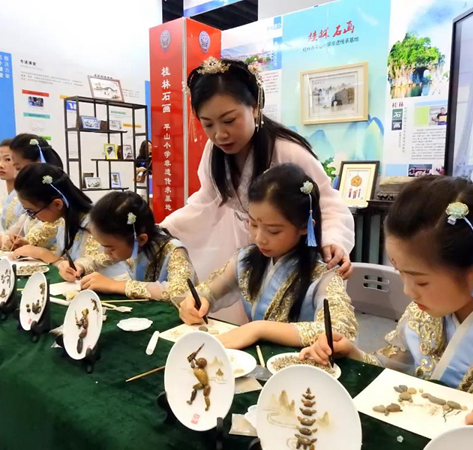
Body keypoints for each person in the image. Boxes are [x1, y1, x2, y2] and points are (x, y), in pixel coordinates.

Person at [299, 176, 473, 443]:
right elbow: (396, 371)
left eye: (421, 281)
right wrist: (353, 354)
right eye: (400, 272)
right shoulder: (425, 310)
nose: (408, 291)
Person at [161, 58, 355, 314]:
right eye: (208, 124)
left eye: (229, 120)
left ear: (254, 107)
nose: (219, 134)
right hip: (246, 249)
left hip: (289, 253)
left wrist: (332, 239)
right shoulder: (214, 152)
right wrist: (163, 231)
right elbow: (205, 203)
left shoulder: (288, 151)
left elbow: (326, 204)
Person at [178, 164, 357, 349]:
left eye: (273, 231)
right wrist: (196, 302)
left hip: (304, 363)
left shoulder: (324, 273)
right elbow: (209, 291)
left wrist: (260, 329)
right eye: (253, 224)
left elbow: (339, 332)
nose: (259, 238)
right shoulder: (245, 259)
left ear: (305, 226)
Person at [70, 191, 196, 302]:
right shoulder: (133, 245)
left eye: (111, 248)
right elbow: (100, 259)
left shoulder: (174, 251)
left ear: (141, 240)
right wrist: (79, 266)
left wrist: (114, 285)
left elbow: (181, 291)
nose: (106, 252)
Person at [10, 164, 98, 267]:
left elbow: (92, 265)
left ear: (57, 204)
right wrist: (26, 244)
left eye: (31, 211)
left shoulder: (96, 223)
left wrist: (43, 254)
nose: (32, 217)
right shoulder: (61, 218)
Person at [2, 133, 64, 251]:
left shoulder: (54, 203)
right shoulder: (24, 198)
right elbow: (13, 234)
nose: (15, 175)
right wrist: (11, 239)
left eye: (18, 168)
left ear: (39, 163)